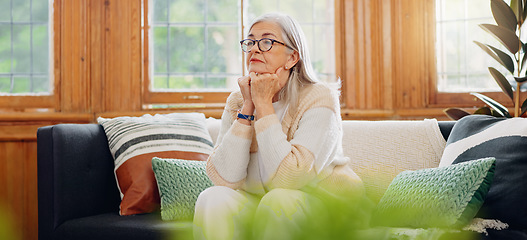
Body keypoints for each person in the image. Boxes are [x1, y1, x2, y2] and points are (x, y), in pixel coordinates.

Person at [193, 12, 364, 240]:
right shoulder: (238, 100)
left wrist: (263, 104)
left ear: (292, 57)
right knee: (212, 197)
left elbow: (290, 179)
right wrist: (248, 106)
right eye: (250, 42)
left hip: (323, 206)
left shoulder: (319, 97)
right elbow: (224, 179)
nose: (254, 49)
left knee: (279, 200)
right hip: (259, 204)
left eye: (266, 41)